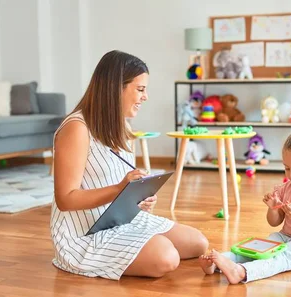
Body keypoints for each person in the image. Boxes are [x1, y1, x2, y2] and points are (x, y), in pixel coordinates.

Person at [51, 50, 209, 280]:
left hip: (119, 220)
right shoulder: (76, 128)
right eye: (141, 89)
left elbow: (118, 183)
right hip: (83, 234)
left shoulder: (119, 127)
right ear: (116, 88)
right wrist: (119, 190)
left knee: (198, 244)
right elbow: (65, 199)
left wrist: (138, 199)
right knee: (167, 257)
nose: (146, 97)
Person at [199, 131, 291, 284]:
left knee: (279, 258)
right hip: (286, 237)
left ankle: (241, 272)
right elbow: (274, 222)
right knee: (260, 249)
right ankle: (218, 263)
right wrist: (273, 208)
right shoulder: (287, 188)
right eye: (287, 168)